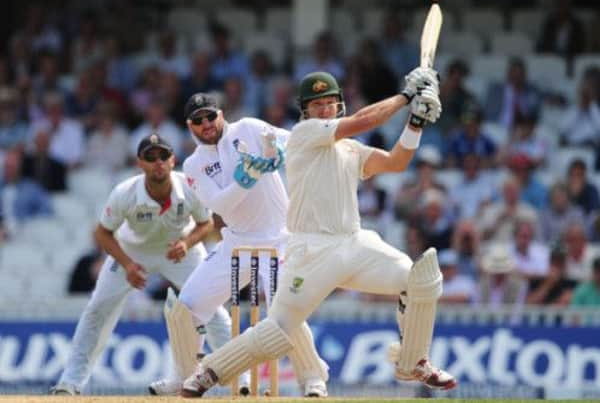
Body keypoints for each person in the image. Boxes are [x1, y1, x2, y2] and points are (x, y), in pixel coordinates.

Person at [181, 67, 457, 398]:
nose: (324, 109)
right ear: (306, 111)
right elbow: (364, 121)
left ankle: (413, 361)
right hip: (309, 251)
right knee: (277, 331)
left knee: (420, 281)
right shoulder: (304, 134)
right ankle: (210, 371)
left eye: (330, 102)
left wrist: (416, 124)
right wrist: (406, 97)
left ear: (339, 104)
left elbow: (395, 163)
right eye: (317, 104)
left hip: (354, 244)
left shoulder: (350, 150)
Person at [153, 93, 330, 397]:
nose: (206, 124)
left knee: (285, 311)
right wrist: (247, 177)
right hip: (235, 243)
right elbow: (220, 204)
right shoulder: (194, 164)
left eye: (211, 116)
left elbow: (296, 139)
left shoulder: (248, 128)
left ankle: (313, 376)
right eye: (199, 120)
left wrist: (282, 152)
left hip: (279, 240)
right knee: (187, 306)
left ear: (221, 114)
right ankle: (183, 375)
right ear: (189, 125)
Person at [50, 134, 231, 395]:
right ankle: (70, 383)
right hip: (132, 252)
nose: (157, 163)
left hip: (179, 250)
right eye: (150, 157)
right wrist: (127, 265)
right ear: (140, 163)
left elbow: (206, 223)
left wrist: (187, 244)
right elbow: (101, 233)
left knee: (213, 309)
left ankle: (241, 379)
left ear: (172, 160)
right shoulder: (125, 193)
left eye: (163, 157)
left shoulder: (189, 186)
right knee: (98, 310)